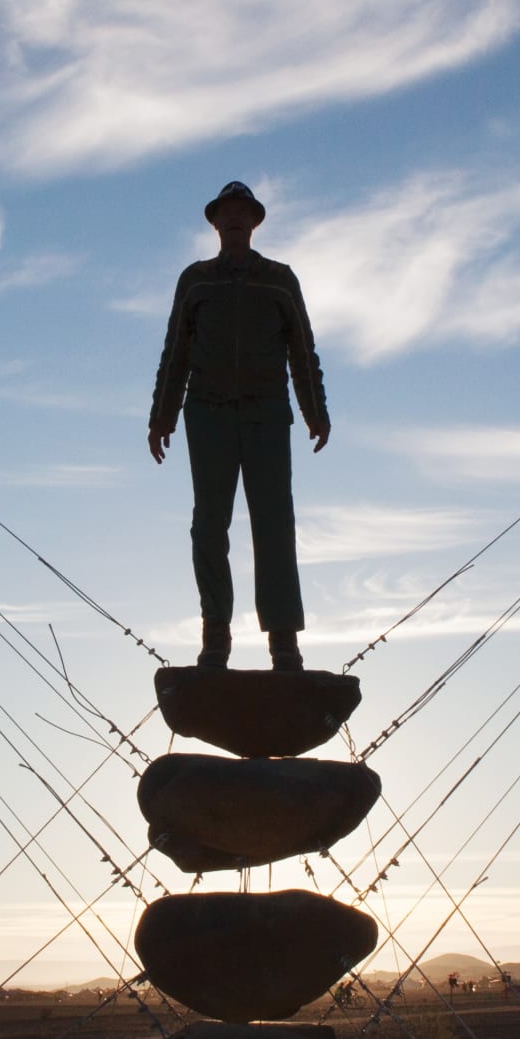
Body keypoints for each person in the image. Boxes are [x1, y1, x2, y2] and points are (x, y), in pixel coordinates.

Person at [147, 180, 329, 671]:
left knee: (275, 525)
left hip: (267, 414)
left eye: (241, 210)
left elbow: (302, 350)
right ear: (214, 222)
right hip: (207, 415)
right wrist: (162, 416)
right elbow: (175, 352)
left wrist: (315, 411)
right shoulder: (196, 280)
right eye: (225, 211)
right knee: (209, 526)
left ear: (254, 221)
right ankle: (216, 634)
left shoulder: (279, 279)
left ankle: (284, 640)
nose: (233, 217)